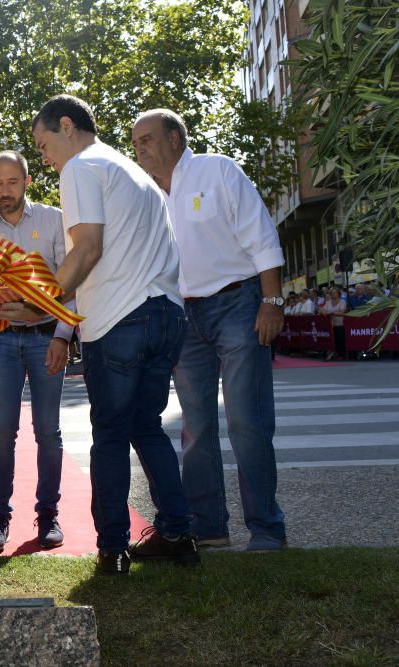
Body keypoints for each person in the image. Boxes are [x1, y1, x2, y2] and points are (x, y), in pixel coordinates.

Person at [1, 94, 197, 575]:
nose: (44, 159)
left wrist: (36, 304)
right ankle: (177, 533)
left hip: (120, 321)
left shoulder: (81, 168)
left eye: (43, 144)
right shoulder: (131, 171)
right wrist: (64, 326)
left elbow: (86, 251)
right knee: (147, 429)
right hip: (166, 315)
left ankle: (113, 549)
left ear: (67, 127)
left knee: (109, 436)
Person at [132, 108, 287, 552]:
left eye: (148, 138)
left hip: (238, 304)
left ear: (176, 139)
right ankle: (209, 527)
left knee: (246, 421)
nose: (140, 148)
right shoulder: (147, 197)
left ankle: (267, 529)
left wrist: (271, 301)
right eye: (135, 141)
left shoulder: (217, 170)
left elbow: (262, 237)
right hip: (185, 317)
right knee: (195, 429)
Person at [0, 149, 72, 552]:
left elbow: (71, 284)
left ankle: (48, 516)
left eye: (13, 181)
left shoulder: (55, 221)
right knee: (2, 431)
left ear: (27, 181)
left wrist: (63, 335)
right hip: (2, 340)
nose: (5, 190)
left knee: (48, 431)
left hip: (47, 337)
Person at [319, 286, 348, 359]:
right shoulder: (328, 302)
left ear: (338, 294)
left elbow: (342, 312)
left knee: (340, 339)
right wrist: (323, 311)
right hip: (330, 325)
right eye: (332, 293)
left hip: (340, 324)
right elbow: (322, 310)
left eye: (335, 293)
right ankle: (333, 353)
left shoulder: (342, 302)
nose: (334, 294)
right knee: (332, 340)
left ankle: (341, 354)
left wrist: (332, 313)